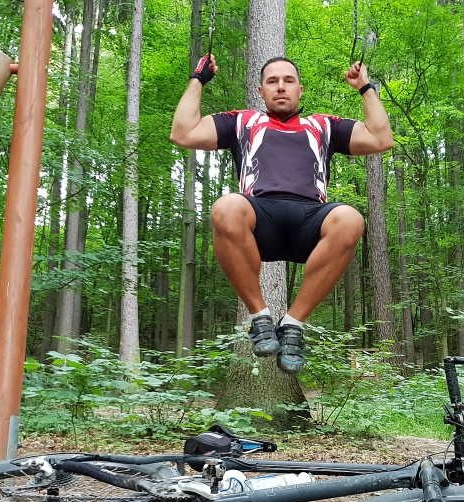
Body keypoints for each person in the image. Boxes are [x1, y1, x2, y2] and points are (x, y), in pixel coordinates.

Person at [169, 54, 394, 374]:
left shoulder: (323, 126)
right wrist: (199, 79)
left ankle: (293, 325)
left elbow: (381, 139)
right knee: (226, 207)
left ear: (300, 90)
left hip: (310, 222)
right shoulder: (242, 121)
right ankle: (260, 318)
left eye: (288, 81)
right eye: (272, 81)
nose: (281, 87)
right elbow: (183, 133)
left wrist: (365, 87)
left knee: (351, 218)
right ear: (261, 91)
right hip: (259, 220)